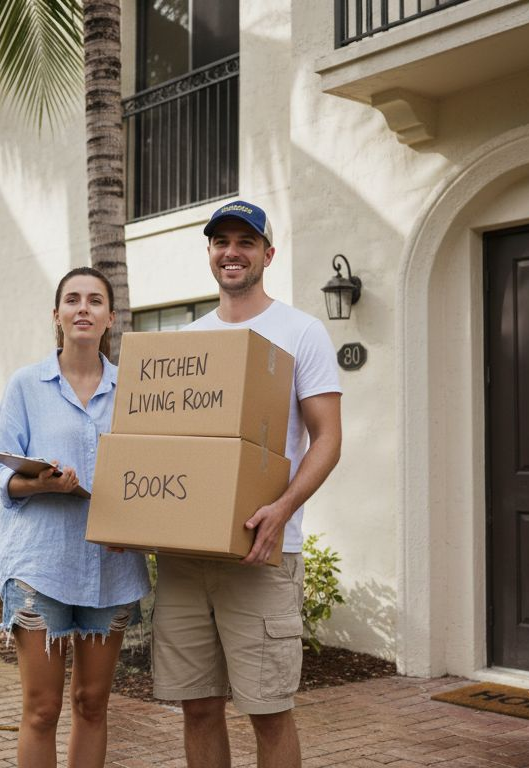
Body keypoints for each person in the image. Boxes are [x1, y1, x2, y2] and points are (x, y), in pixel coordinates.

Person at [152, 201, 343, 767]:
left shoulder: (300, 331)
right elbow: (169, 445)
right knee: (198, 707)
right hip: (187, 556)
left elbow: (327, 439)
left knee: (267, 710)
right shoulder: (189, 339)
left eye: (245, 241)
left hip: (261, 552)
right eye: (221, 242)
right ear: (209, 253)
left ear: (267, 253)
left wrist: (282, 509)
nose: (231, 252)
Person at [0, 266, 151, 768]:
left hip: (112, 569)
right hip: (40, 567)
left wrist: (139, 523)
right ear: (56, 315)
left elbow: (153, 476)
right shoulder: (25, 385)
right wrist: (39, 483)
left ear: (111, 318)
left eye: (95, 301)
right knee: (41, 709)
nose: (83, 308)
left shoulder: (135, 393)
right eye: (72, 300)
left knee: (92, 704)